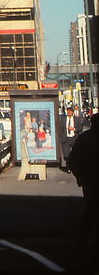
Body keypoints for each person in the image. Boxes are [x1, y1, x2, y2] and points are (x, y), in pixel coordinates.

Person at [67, 112, 99, 259]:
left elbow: (73, 160)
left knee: (91, 210)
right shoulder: (86, 139)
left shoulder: (84, 138)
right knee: (92, 210)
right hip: (91, 179)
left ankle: (84, 240)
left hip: (90, 180)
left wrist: (80, 176)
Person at [60, 104, 86, 169]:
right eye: (68, 112)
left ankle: (72, 165)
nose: (69, 113)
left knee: (75, 153)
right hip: (66, 139)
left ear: (72, 112)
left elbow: (80, 128)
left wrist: (73, 129)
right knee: (66, 155)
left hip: (74, 138)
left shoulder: (76, 119)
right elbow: (60, 128)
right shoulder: (63, 119)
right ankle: (68, 165)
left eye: (70, 112)